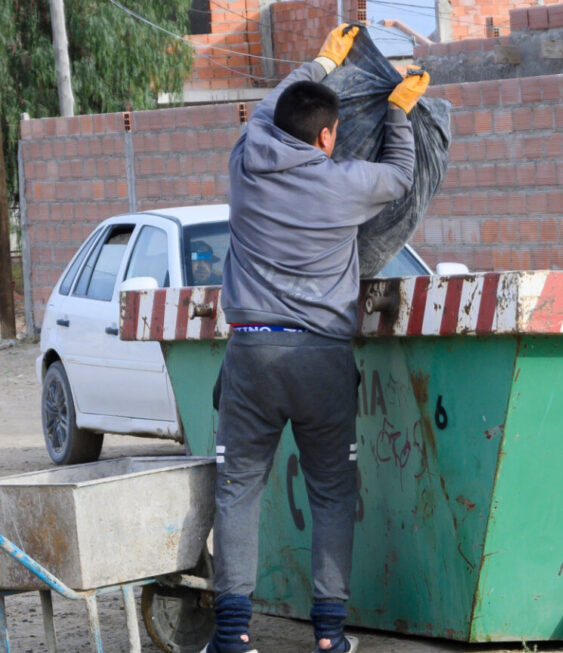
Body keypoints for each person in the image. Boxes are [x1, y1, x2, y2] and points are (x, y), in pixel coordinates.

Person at [204, 24, 429, 653]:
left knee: (238, 489)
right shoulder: (346, 183)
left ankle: (232, 636)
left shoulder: (247, 157)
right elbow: (402, 175)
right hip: (322, 357)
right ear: (330, 137)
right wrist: (398, 114)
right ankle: (330, 638)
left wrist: (319, 63)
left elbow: (269, 107)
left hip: (251, 352)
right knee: (332, 492)